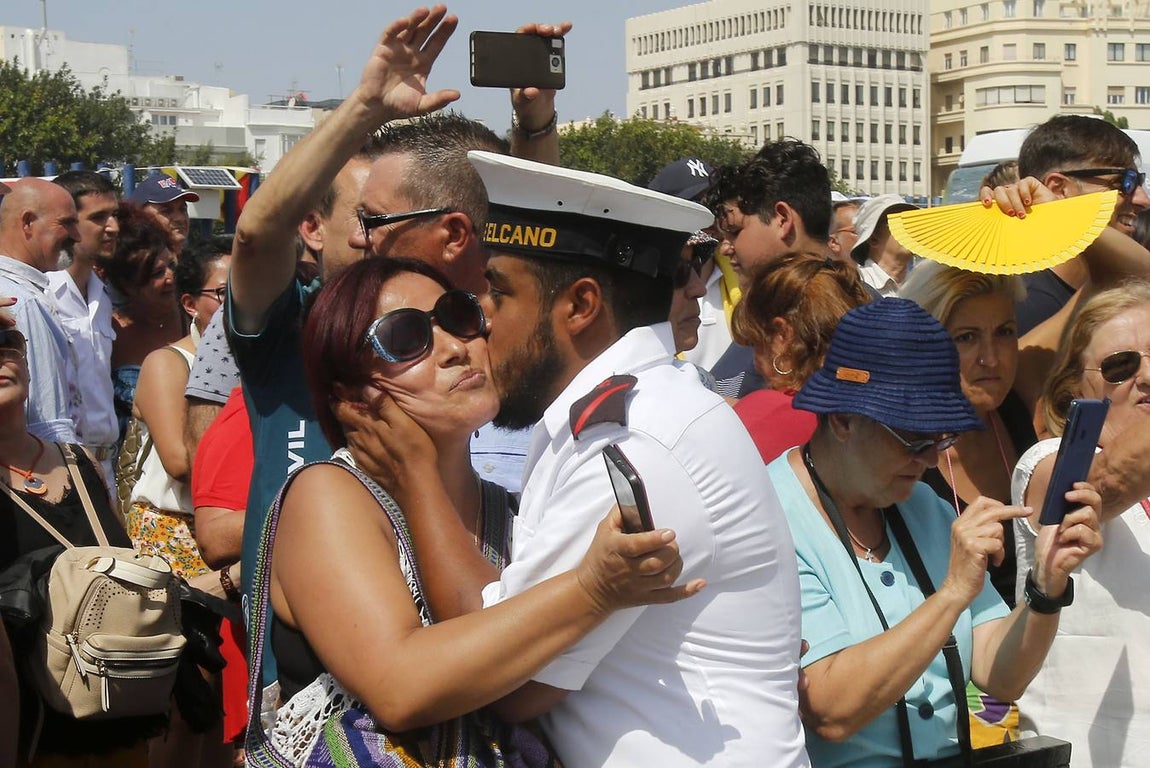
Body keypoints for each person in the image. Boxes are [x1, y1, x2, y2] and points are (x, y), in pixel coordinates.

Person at [364, 150, 811, 767]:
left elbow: (507, 674)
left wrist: (414, 472)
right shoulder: (626, 414)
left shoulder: (635, 441)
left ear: (579, 306)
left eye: (498, 291)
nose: (480, 320)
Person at [257, 254, 697, 763]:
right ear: (351, 395)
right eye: (405, 338)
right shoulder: (327, 496)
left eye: (459, 318)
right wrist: (593, 591)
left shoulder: (511, 509)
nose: (453, 349)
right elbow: (399, 687)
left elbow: (529, 690)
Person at [226, 4, 565, 624]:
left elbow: (536, 240)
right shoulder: (303, 329)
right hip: (325, 693)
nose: (361, 239)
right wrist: (364, 107)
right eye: (399, 339)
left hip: (491, 664)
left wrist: (534, 124)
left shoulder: (500, 335)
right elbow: (255, 235)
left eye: (373, 220)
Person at [767, 298, 1101, 766]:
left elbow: (997, 675)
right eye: (914, 439)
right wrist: (951, 594)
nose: (928, 460)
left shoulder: (924, 505)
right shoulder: (771, 517)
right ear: (842, 420)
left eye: (941, 438)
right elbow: (830, 710)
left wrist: (1045, 589)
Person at [0, 322, 162, 766]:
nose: (0, 357)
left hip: (116, 712)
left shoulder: (80, 462)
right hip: (31, 730)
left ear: (29, 362)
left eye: (6, 343)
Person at [1010, 279, 1150, 768]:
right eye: (1122, 366)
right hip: (1076, 753)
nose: (1146, 377)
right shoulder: (1048, 461)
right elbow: (1101, 483)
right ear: (1074, 387)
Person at [900, 261, 1038, 746]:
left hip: (1040, 683)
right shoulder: (900, 453)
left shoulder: (1024, 406)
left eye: (1004, 332)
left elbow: (1110, 288)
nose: (991, 358)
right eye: (965, 338)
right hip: (942, 711)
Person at [703, 140, 834, 397]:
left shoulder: (857, 324)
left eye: (734, 231)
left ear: (782, 219)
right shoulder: (766, 311)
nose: (726, 248)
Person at [1012, 115, 1150, 334]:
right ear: (1059, 190)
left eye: (1138, 182)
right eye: (1124, 182)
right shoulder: (1019, 305)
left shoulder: (1123, 294)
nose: (1144, 200)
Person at [730, 252, 870, 463]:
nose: (755, 363)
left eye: (755, 343)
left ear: (781, 336)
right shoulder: (879, 418)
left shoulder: (767, 413)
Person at [48, 171, 121, 481]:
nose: (113, 227)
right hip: (59, 466)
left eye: (115, 215)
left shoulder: (102, 296)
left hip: (104, 466)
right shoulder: (41, 294)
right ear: (67, 222)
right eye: (99, 217)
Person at [0, 178, 82, 444]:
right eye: (66, 223)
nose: (77, 235)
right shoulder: (21, 302)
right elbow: (48, 422)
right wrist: (74, 477)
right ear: (27, 223)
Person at [98, 203, 185, 441]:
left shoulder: (193, 318)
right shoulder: (109, 332)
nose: (171, 277)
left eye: (171, 265)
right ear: (127, 284)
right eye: (157, 273)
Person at [849, 193, 919, 297]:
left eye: (912, 222)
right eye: (899, 223)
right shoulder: (855, 286)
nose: (910, 229)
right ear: (873, 239)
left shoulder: (923, 284)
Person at [129, 175, 200, 258]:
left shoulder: (196, 265)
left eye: (183, 209)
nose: (180, 218)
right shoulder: (134, 267)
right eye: (166, 211)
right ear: (140, 216)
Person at [827, 191, 860, 261]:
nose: (869, 238)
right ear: (834, 242)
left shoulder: (876, 270)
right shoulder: (815, 271)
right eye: (859, 232)